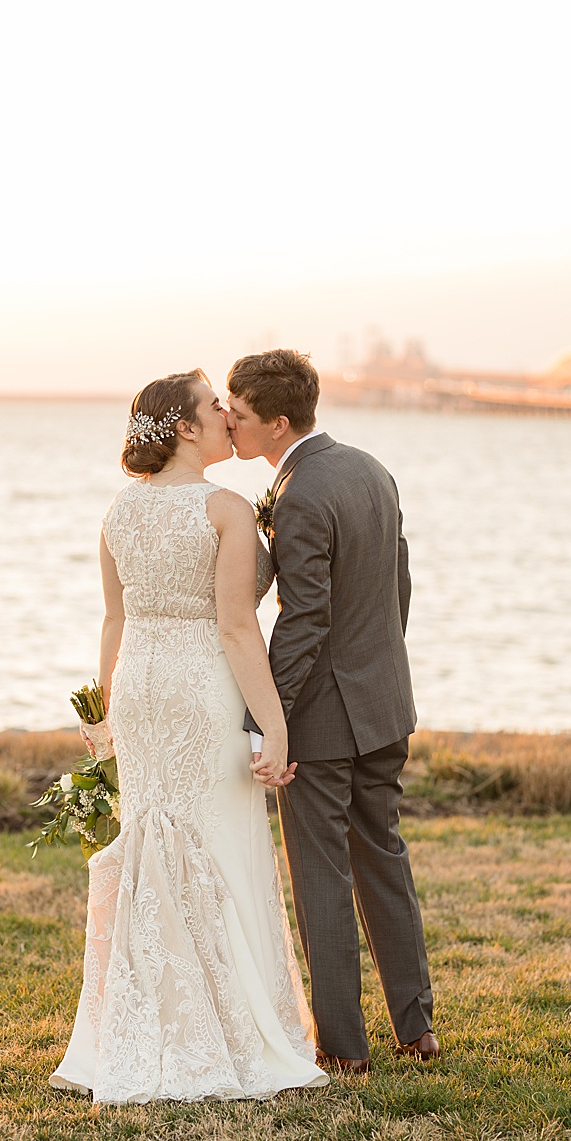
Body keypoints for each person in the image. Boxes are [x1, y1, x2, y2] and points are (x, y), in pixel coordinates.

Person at [52, 370, 328, 1103]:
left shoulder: (118, 510)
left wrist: (102, 710)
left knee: (152, 840)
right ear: (183, 429)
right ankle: (224, 1029)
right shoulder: (225, 509)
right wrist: (274, 725)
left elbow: (112, 621)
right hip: (201, 687)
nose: (225, 416)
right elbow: (239, 627)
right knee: (217, 841)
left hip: (140, 688)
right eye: (214, 408)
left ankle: (147, 1022)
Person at [225, 349, 438, 1075]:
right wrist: (378, 672)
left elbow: (304, 620)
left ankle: (343, 1049)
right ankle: (417, 1028)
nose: (230, 422)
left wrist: (266, 716)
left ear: (279, 422)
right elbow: (398, 585)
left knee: (321, 878)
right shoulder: (370, 468)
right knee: (382, 860)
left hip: (323, 717)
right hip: (384, 703)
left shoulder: (302, 494)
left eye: (243, 415)